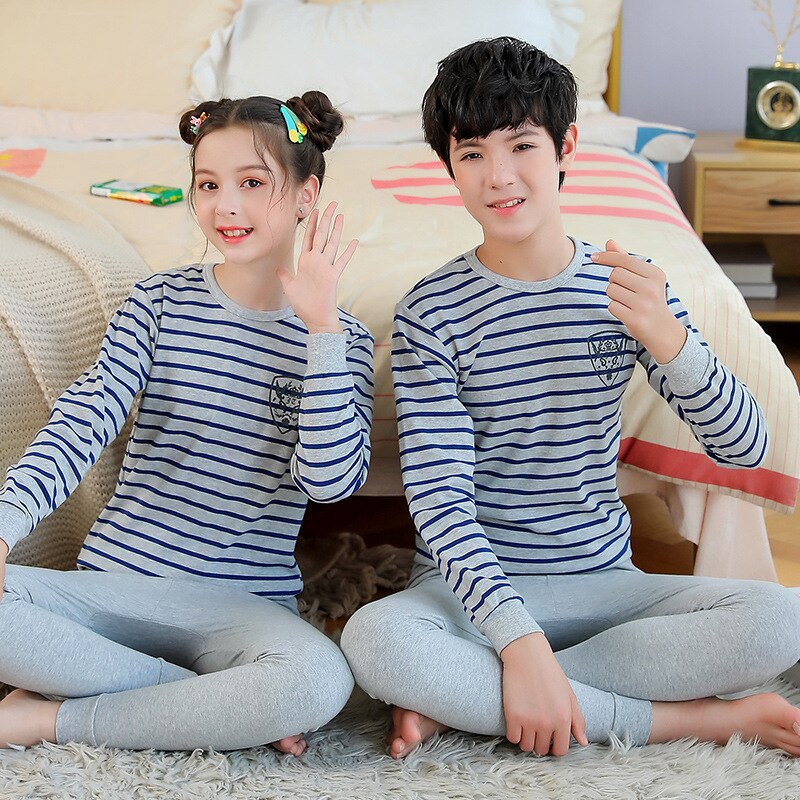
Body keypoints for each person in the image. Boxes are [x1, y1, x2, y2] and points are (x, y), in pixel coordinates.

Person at [341, 38, 800, 759]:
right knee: (374, 640)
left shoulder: (628, 287)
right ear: (449, 167)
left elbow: (744, 448)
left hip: (601, 584)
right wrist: (517, 642)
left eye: (522, 145)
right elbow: (439, 502)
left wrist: (671, 341)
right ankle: (690, 720)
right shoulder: (430, 312)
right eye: (471, 154)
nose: (499, 176)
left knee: (782, 622)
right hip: (468, 596)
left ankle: (471, 700)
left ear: (567, 147)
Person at [0, 93, 374, 754]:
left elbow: (329, 483)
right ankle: (202, 703)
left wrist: (320, 332)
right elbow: (83, 423)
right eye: (208, 185)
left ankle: (50, 718)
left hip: (241, 614)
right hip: (114, 589)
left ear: (305, 196)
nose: (225, 206)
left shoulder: (342, 341)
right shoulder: (158, 302)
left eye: (252, 183)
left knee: (317, 682)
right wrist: (4, 527)